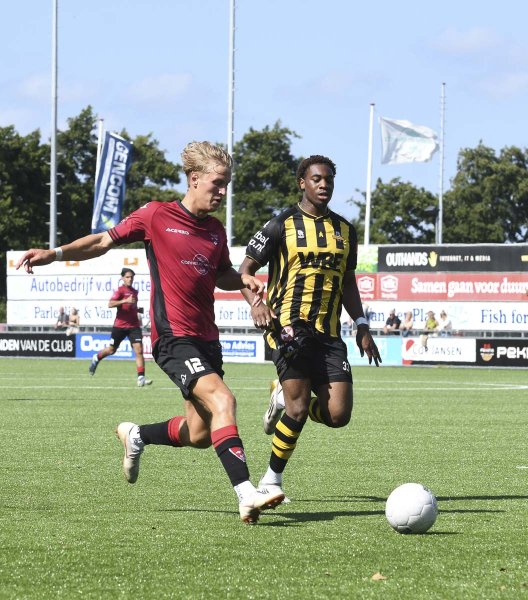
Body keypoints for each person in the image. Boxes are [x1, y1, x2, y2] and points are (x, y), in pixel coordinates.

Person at [16, 141, 284, 525]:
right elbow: (102, 241)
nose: (223, 192)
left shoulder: (215, 230)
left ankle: (137, 435)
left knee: (199, 433)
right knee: (224, 399)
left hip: (207, 340)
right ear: (194, 179)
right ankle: (246, 494)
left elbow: (221, 274)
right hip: (173, 338)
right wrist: (54, 253)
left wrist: (243, 280)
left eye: (226, 184)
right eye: (217, 183)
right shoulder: (156, 215)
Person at [238, 154, 381, 501]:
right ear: (302, 183)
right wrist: (257, 304)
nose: (323, 184)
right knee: (299, 407)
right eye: (316, 179)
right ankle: (271, 480)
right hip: (287, 326)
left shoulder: (345, 230)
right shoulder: (280, 224)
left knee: (338, 415)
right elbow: (244, 271)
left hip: (328, 334)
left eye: (328, 179)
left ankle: (280, 397)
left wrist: (362, 325)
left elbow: (348, 282)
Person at [88, 268, 152, 387]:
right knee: (111, 350)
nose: (130, 279)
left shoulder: (135, 291)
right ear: (122, 278)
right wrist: (125, 300)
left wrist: (139, 310)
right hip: (120, 326)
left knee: (139, 350)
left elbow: (132, 307)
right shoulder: (120, 291)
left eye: (131, 277)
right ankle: (96, 357)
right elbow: (110, 304)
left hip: (134, 325)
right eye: (127, 277)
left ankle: (141, 378)